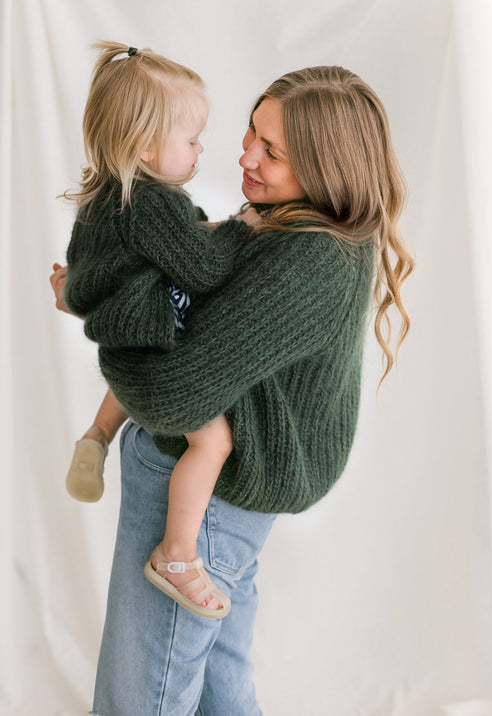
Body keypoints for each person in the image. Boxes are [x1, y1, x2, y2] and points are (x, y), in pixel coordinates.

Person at [50, 64, 413, 716]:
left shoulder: (307, 259)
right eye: (251, 131)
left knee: (144, 698)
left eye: (271, 151)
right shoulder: (297, 224)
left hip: (204, 499)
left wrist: (98, 316)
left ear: (326, 168)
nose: (245, 154)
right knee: (221, 683)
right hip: (229, 498)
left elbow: (172, 392)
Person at [60, 40, 256, 619]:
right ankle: (176, 554)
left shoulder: (104, 198)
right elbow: (201, 265)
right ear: (147, 145)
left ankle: (95, 437)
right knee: (213, 439)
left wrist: (67, 287)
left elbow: (90, 273)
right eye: (191, 138)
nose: (200, 149)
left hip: (125, 361)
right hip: (155, 364)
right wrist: (242, 230)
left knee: (139, 370)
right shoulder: (154, 205)